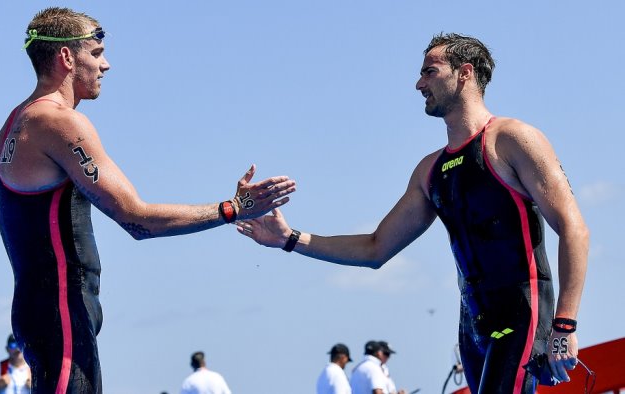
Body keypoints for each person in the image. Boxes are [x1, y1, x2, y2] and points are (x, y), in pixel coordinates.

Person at [237, 33, 589, 393]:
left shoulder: (512, 139)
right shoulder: (430, 171)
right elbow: (376, 248)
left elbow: (573, 228)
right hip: (473, 326)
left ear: (464, 73)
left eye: (429, 72)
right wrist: (291, 239)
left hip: (523, 312)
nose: (419, 83)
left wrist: (564, 325)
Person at [0, 7, 296, 394]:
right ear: (67, 58)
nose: (107, 65)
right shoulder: (58, 122)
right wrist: (233, 209)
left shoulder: (15, 122)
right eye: (97, 53)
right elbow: (138, 220)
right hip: (60, 313)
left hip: (43, 309)